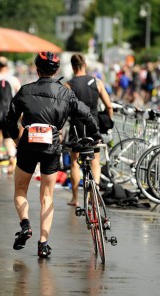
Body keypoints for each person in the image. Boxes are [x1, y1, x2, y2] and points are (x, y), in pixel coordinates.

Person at [6, 51, 102, 258]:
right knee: (47, 196)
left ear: (36, 68)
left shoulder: (25, 90)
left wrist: (16, 140)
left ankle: (25, 225)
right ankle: (43, 243)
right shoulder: (65, 93)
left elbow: (9, 119)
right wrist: (96, 135)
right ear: (56, 70)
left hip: (28, 145)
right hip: (52, 145)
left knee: (20, 190)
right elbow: (85, 113)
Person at [64, 53, 113, 207]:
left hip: (76, 127)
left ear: (72, 67)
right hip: (94, 125)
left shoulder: (68, 85)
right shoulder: (97, 82)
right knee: (95, 161)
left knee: (74, 162)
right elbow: (109, 105)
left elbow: (64, 109)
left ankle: (75, 198)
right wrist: (108, 121)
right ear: (85, 64)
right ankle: (94, 195)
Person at [0, 57, 21, 176]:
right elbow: (19, 97)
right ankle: (11, 156)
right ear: (7, 66)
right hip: (8, 112)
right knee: (8, 139)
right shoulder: (14, 79)